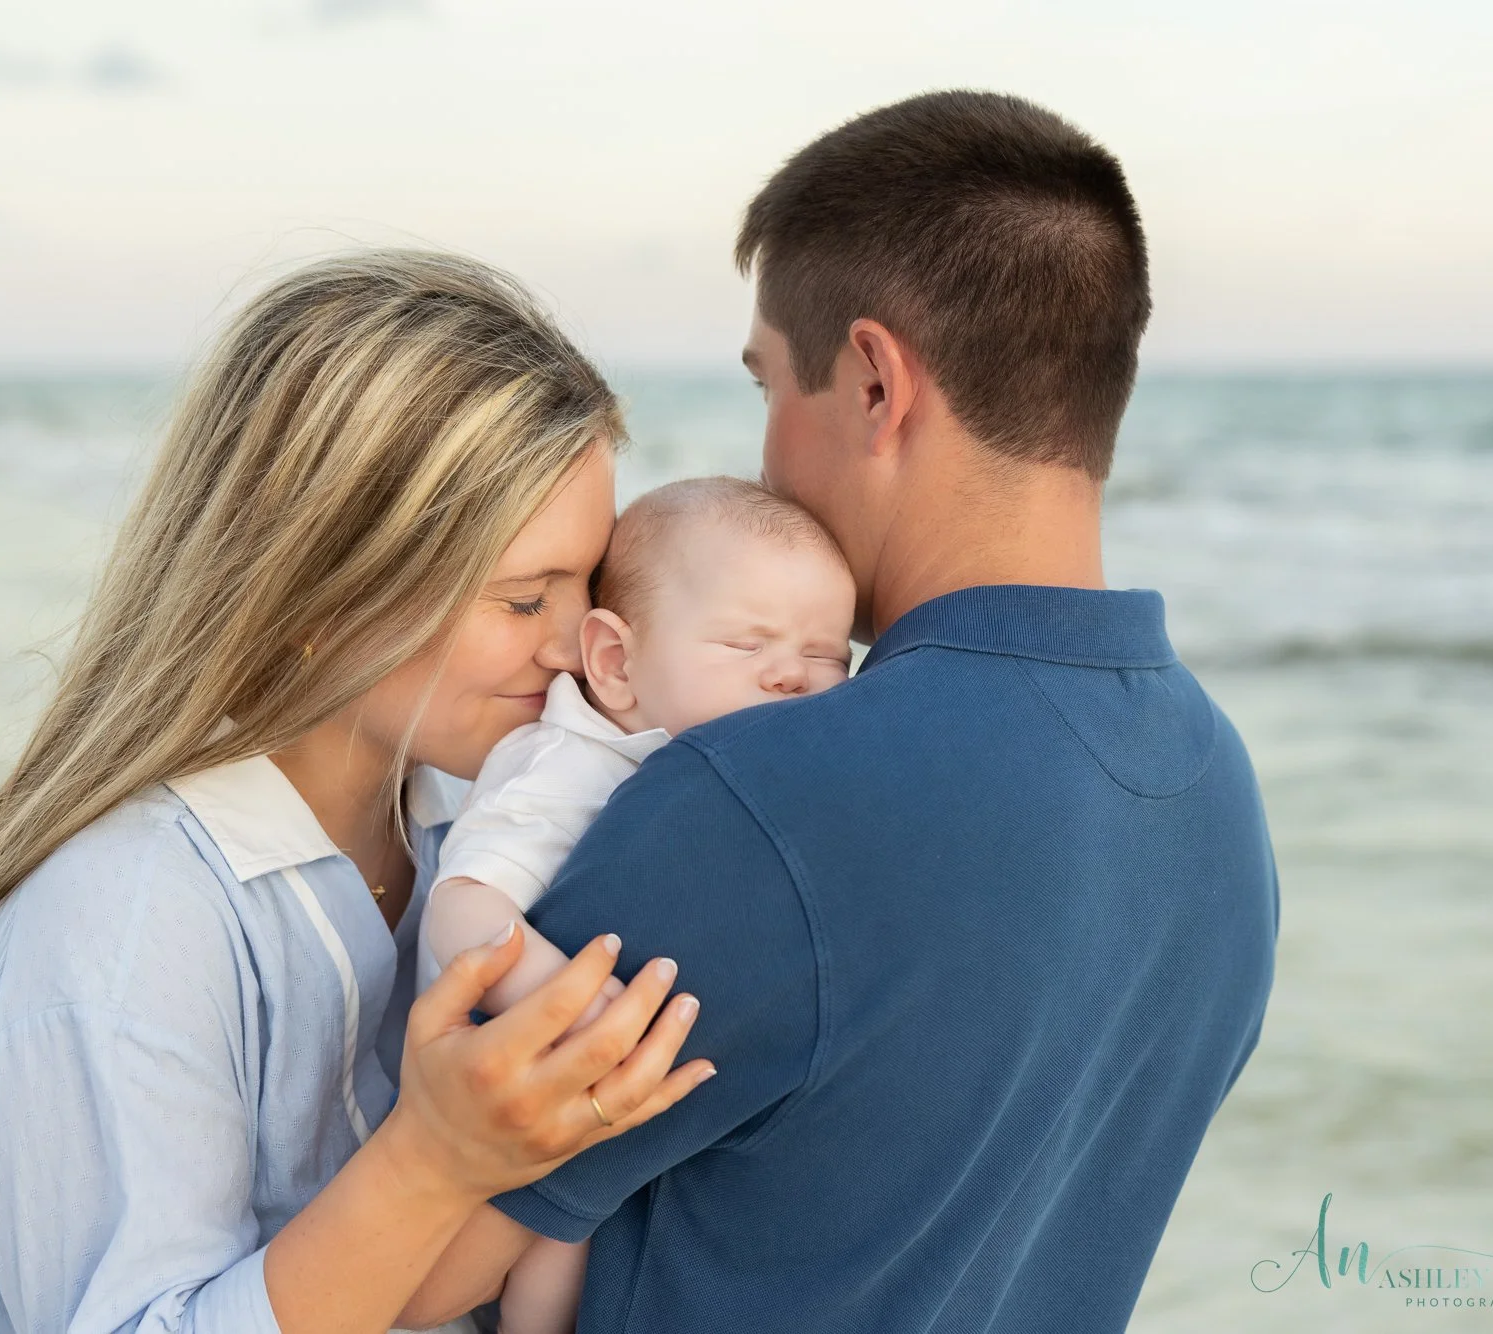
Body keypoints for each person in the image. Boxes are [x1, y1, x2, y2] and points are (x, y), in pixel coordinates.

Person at [399, 90, 1281, 1334]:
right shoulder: (1215, 793)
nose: (762, 462)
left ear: (874, 381)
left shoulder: (756, 790)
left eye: (768, 384)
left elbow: (404, 1280)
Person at [0, 250, 714, 1334]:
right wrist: (434, 1157)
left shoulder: (466, 839)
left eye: (588, 585)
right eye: (519, 598)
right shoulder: (111, 929)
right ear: (319, 586)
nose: (575, 646)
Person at [414, 477, 856, 1332]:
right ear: (615, 663)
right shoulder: (566, 766)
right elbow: (462, 909)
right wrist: (595, 1017)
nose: (792, 678)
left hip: (579, 1102)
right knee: (557, 1235)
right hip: (493, 1076)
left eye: (829, 654)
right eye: (746, 644)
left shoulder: (692, 763)